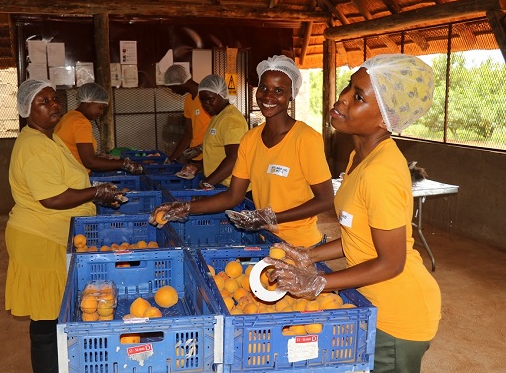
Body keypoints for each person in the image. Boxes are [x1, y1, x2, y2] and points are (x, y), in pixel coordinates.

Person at [265, 54, 442, 373]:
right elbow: (357, 238)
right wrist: (309, 254)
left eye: (358, 97)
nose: (342, 99)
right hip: (371, 300)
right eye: (348, 87)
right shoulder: (358, 157)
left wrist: (319, 281)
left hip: (398, 316)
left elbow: (391, 262)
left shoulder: (381, 172)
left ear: (385, 119)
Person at [5, 79, 125, 373]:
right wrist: (96, 192)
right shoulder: (33, 145)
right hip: (40, 238)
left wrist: (94, 193)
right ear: (26, 110)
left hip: (52, 234)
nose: (53, 105)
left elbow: (66, 182)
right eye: (42, 102)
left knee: (54, 312)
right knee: (46, 319)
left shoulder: (48, 137)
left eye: (54, 98)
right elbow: (52, 197)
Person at [150, 56, 334, 247]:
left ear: (291, 94)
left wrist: (271, 217)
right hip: (268, 241)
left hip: (302, 245)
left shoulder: (305, 138)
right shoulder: (250, 139)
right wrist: (184, 207)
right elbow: (233, 196)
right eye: (263, 88)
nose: (268, 96)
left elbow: (326, 200)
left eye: (279, 91)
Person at [54, 82, 143, 174]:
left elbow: (72, 149)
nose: (101, 112)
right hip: (74, 174)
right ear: (90, 101)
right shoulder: (81, 122)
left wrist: (98, 156)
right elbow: (90, 162)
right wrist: (124, 163)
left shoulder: (69, 116)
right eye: (101, 107)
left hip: (65, 170)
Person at [163, 64, 211, 165]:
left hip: (210, 156)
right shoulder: (188, 100)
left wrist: (201, 148)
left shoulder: (208, 98)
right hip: (195, 157)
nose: (173, 91)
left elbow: (218, 131)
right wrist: (171, 159)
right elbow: (188, 135)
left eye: (173, 88)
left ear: (180, 83)